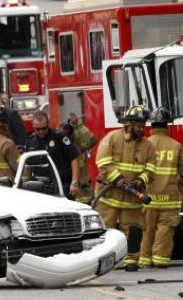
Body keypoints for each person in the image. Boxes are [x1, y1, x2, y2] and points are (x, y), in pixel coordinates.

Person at [94, 105, 156, 272]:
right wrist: (117, 178)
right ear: (128, 124)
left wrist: (141, 181)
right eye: (138, 125)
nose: (142, 129)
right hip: (110, 197)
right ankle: (105, 259)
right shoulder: (112, 138)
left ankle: (131, 260)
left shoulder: (148, 146)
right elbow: (102, 162)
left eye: (143, 125)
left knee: (134, 229)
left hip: (132, 198)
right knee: (106, 228)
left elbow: (151, 169)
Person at [139, 107, 183, 269]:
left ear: (151, 126)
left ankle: (144, 260)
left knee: (147, 230)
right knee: (165, 230)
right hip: (169, 198)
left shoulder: (144, 145)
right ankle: (160, 260)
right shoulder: (176, 146)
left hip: (147, 198)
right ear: (167, 126)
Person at [26, 111, 80, 198]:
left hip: (61, 185)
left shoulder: (59, 137)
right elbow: (28, 165)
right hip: (39, 187)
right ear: (32, 125)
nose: (41, 131)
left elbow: (74, 157)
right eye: (38, 129)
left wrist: (75, 182)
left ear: (48, 123)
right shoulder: (30, 141)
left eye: (44, 128)